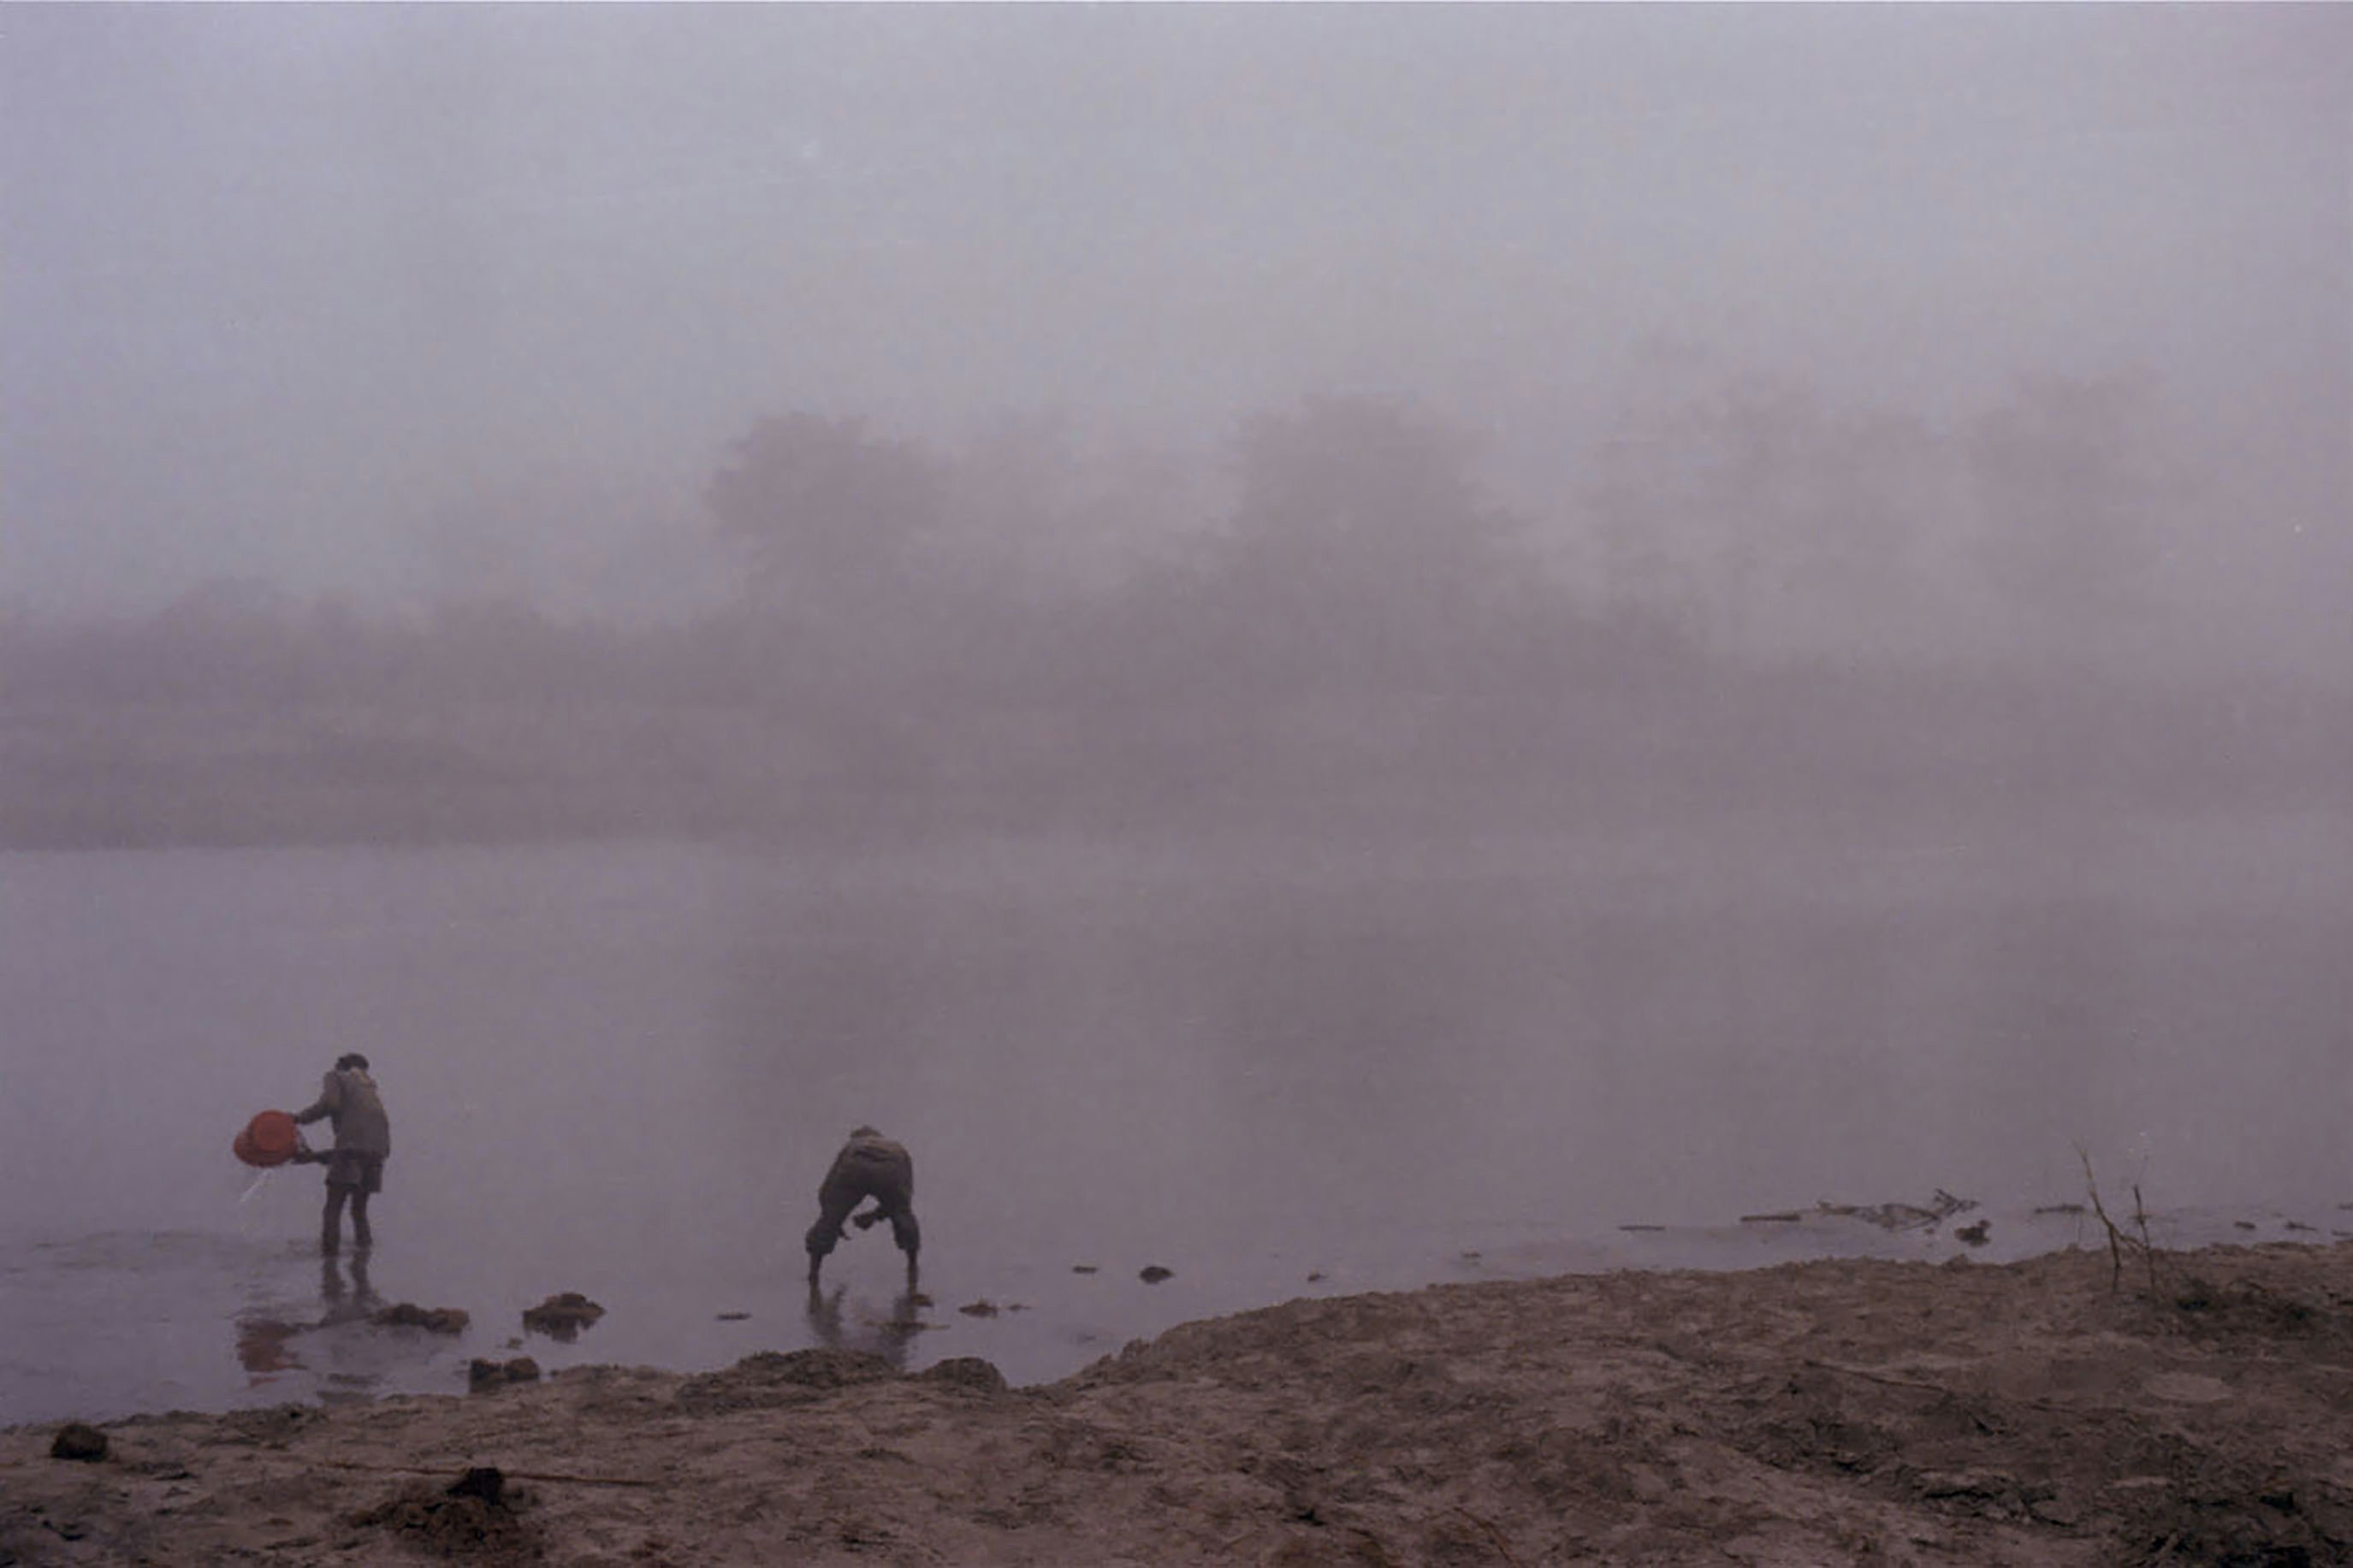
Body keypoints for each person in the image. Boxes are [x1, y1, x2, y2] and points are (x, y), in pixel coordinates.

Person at [291, 1053, 390, 1255]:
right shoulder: (369, 1089)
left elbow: (330, 1104)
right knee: (359, 1209)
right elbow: (349, 1151)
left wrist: (297, 1119)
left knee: (334, 1206)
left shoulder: (337, 1077)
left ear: (341, 1066)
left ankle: (329, 1259)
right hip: (379, 1150)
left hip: (353, 1148)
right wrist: (314, 1157)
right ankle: (364, 1257)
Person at [804, 1126, 919, 1289]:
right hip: (891, 1167)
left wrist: (833, 1217)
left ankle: (813, 1272)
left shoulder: (853, 1146)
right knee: (903, 1215)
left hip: (855, 1166)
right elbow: (902, 1199)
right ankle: (912, 1266)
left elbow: (827, 1188)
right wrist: (875, 1216)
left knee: (827, 1224)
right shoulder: (897, 1148)